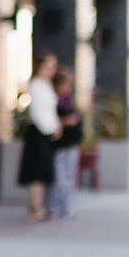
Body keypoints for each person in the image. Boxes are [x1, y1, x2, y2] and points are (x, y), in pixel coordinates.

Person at [18, 50, 60, 221]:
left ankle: (37, 207)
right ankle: (35, 209)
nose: (52, 70)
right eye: (49, 66)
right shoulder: (35, 85)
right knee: (36, 172)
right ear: (41, 67)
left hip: (47, 132)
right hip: (39, 133)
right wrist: (51, 128)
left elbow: (50, 111)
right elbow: (38, 113)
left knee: (42, 172)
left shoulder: (46, 86)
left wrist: (56, 126)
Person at [49, 67, 82, 218]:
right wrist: (64, 122)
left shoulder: (69, 102)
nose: (66, 88)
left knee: (70, 177)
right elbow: (50, 122)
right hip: (59, 145)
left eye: (68, 85)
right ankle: (55, 207)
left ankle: (67, 208)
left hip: (72, 144)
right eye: (63, 85)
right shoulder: (52, 102)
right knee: (60, 178)